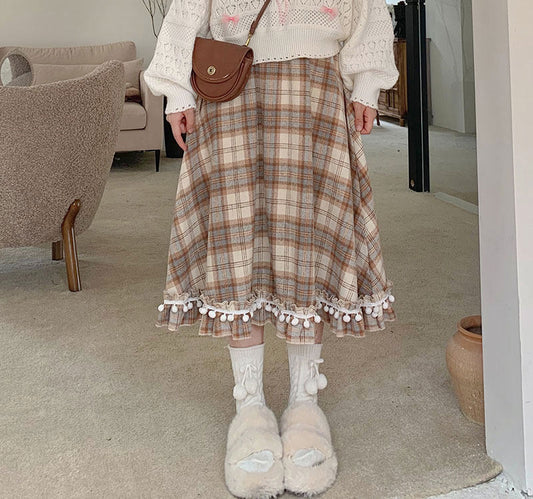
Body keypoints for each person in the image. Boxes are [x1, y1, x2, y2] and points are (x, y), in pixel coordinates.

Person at [144, 0, 398, 496]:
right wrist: (177, 92)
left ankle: (305, 405)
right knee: (238, 241)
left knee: (311, 242)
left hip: (316, 88)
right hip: (231, 86)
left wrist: (368, 81)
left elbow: (366, 9)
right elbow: (187, 9)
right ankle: (250, 409)